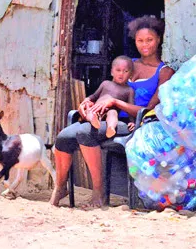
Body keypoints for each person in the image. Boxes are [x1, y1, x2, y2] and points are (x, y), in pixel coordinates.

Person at [51, 15, 175, 207]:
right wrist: (88, 101)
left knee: (85, 133)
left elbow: (148, 109)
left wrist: (115, 102)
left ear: (158, 39)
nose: (145, 45)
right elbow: (108, 89)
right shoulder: (127, 64)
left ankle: (98, 193)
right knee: (63, 137)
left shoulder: (164, 71)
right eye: (140, 40)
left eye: (149, 40)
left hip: (135, 121)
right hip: (107, 117)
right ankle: (60, 187)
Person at [83, 55, 135, 139]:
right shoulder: (106, 83)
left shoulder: (129, 90)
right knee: (90, 111)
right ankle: (93, 120)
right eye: (118, 70)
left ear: (131, 75)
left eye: (125, 71)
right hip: (97, 108)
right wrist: (87, 99)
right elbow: (94, 95)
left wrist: (132, 122)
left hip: (111, 109)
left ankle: (110, 128)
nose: (121, 74)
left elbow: (130, 107)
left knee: (113, 114)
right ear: (112, 72)